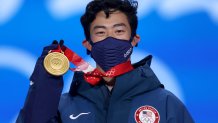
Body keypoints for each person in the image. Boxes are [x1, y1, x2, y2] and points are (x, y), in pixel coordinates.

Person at [16, 0, 194, 123]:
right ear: (88, 45)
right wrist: (45, 81)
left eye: (118, 32)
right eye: (100, 33)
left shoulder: (166, 104)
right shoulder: (63, 107)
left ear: (134, 40)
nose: (110, 39)